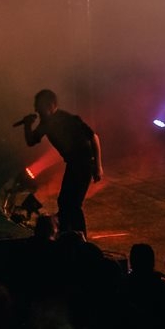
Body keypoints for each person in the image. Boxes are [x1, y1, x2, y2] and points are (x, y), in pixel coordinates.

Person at [17, 89, 102, 236]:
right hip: (74, 164)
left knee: (73, 204)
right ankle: (67, 234)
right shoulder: (46, 123)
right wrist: (27, 125)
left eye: (39, 107)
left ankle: (79, 238)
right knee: (65, 202)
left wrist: (98, 166)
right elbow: (31, 141)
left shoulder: (67, 119)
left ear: (50, 105)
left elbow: (93, 137)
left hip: (83, 164)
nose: (36, 110)